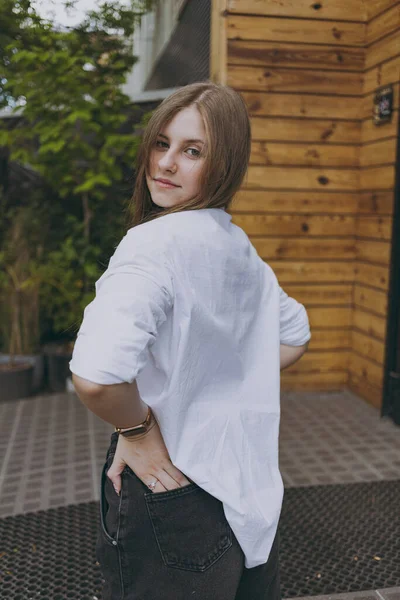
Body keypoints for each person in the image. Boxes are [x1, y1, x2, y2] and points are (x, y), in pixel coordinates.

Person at [70, 81, 311, 600]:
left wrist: (136, 430)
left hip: (168, 489)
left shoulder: (153, 243)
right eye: (162, 143)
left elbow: (96, 378)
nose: (166, 162)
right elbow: (295, 335)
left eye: (192, 150)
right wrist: (221, 383)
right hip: (243, 496)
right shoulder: (235, 244)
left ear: (224, 163)